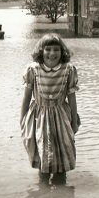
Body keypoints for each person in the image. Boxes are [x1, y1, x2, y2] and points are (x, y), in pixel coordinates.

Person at [20, 33, 80, 182]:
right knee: (43, 156)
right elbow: (27, 97)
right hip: (39, 116)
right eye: (48, 49)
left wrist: (73, 121)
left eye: (56, 50)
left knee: (63, 153)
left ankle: (62, 195)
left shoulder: (68, 70)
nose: (52, 53)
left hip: (61, 115)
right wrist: (22, 120)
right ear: (41, 51)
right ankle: (43, 191)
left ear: (62, 52)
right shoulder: (33, 70)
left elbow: (72, 98)